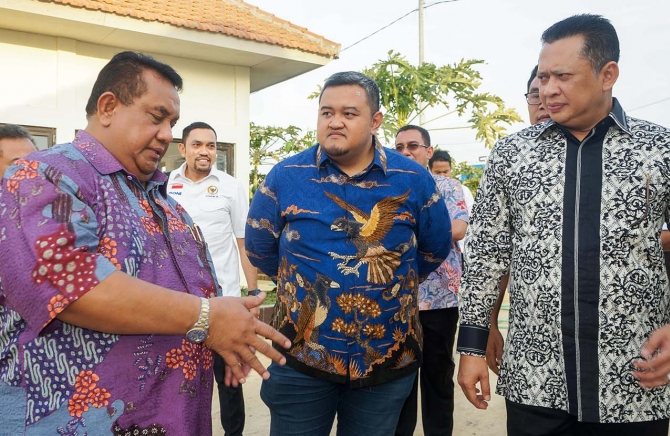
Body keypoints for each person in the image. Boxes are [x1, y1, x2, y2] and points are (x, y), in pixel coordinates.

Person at [0, 51, 289, 435]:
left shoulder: (164, 201)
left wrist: (226, 330)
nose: (168, 134)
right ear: (108, 107)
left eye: (172, 123)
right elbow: (70, 286)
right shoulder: (45, 175)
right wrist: (208, 317)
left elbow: (191, 291)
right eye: (156, 117)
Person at [457, 14, 670, 435]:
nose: (548, 89)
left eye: (562, 76)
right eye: (543, 77)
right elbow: (486, 253)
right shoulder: (512, 154)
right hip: (536, 379)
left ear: (607, 74)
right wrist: (470, 347)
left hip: (634, 382)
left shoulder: (665, 151)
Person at [246, 71, 452, 435]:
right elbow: (260, 248)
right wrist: (305, 282)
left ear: (375, 121)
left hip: (385, 357)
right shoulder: (286, 175)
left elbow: (435, 247)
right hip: (300, 357)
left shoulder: (412, 178)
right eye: (327, 112)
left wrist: (388, 281)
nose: (335, 122)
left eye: (349, 113)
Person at [168, 121, 258, 436]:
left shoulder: (231, 187)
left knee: (229, 378)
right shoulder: (165, 186)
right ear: (183, 149)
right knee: (180, 380)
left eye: (211, 146)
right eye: (197, 145)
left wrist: (253, 294)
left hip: (224, 302)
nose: (205, 151)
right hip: (178, 302)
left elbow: (244, 244)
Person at [394, 125, 469, 436]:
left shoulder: (448, 186)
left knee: (437, 378)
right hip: (394, 301)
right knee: (398, 383)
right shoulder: (385, 188)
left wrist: (403, 236)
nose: (406, 152)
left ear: (428, 150)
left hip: (439, 298)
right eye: (399, 147)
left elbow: (458, 229)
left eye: (413, 146)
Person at [485, 65, 549, 374]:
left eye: (554, 89)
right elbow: (492, 254)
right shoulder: (509, 157)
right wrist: (486, 325)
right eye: (535, 94)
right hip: (531, 351)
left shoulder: (646, 153)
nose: (544, 102)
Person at [427, 149, 474, 255]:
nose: (442, 176)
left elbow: (472, 220)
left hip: (462, 249)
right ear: (430, 170)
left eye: (445, 172)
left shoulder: (463, 191)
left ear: (451, 169)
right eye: (437, 172)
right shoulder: (427, 191)